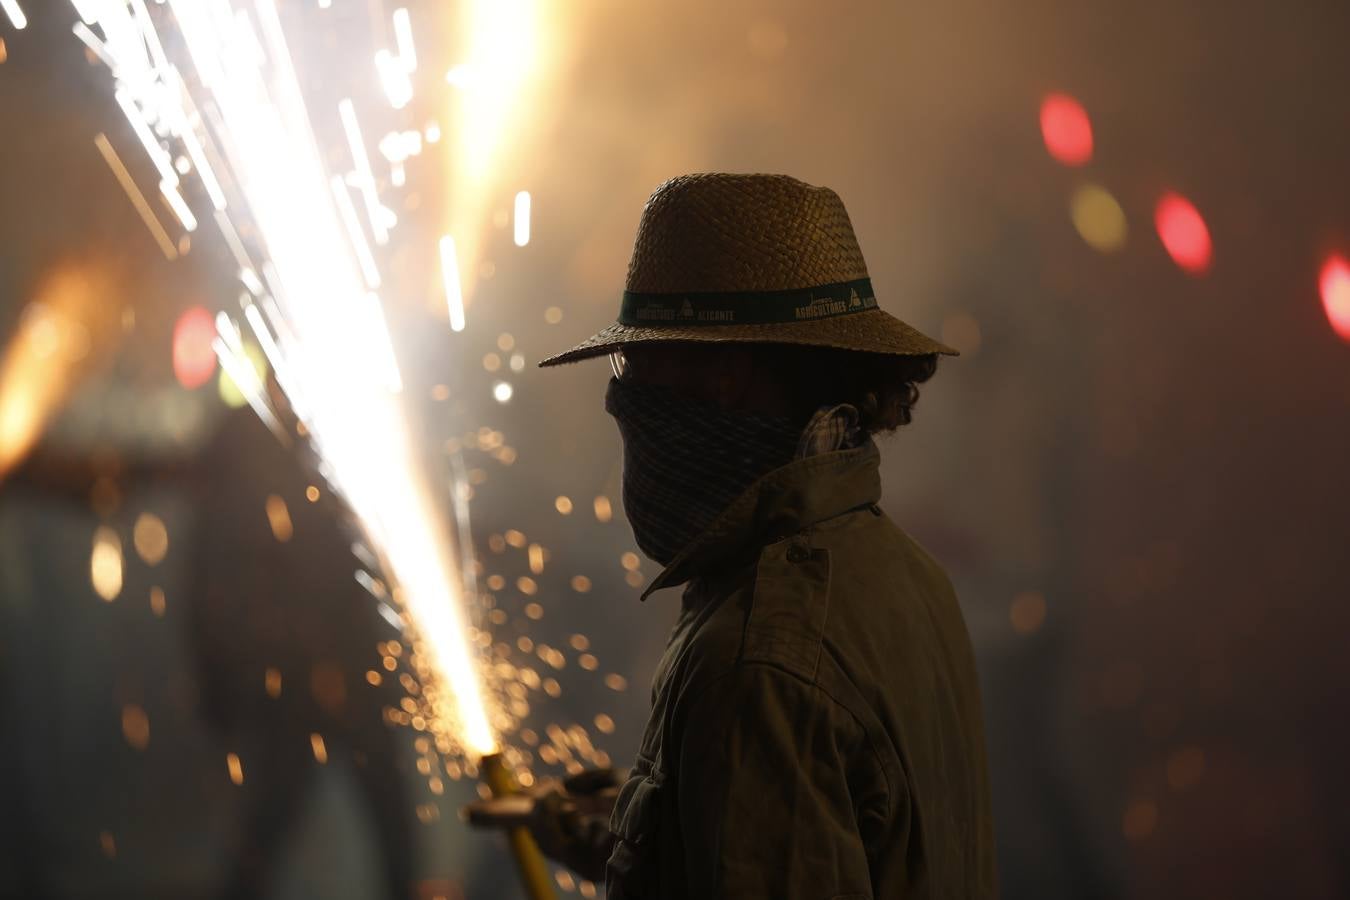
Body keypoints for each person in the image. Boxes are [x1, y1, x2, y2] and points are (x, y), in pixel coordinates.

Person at [476, 172, 997, 898]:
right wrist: (614, 827)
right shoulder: (901, 575)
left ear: (724, 374)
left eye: (639, 360)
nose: (624, 397)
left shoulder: (757, 659)